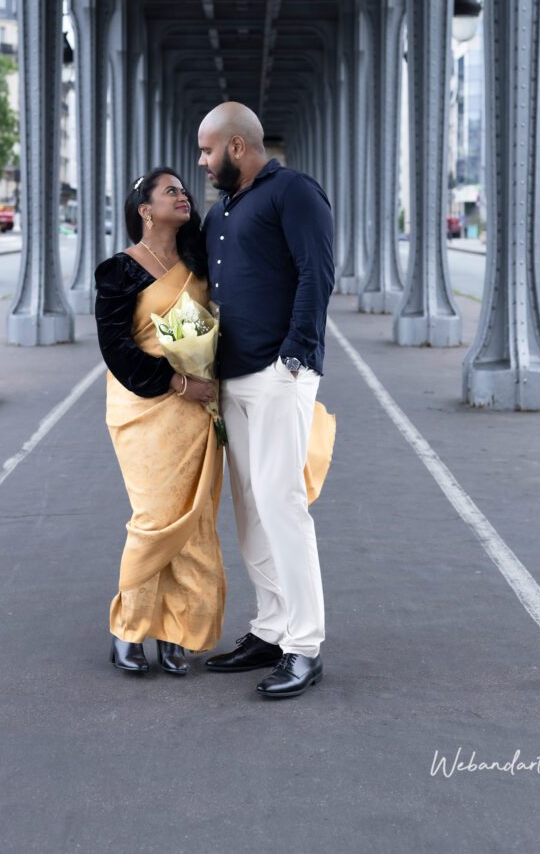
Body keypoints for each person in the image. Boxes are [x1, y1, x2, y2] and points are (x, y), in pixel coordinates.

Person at [198, 102, 336, 699]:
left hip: (279, 374)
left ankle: (305, 646)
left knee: (282, 505)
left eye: (207, 150)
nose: (202, 162)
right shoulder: (221, 210)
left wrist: (294, 359)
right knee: (250, 509)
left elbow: (316, 273)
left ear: (237, 146)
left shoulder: (294, 192)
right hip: (232, 378)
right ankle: (271, 629)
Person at [94, 168, 226, 676]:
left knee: (194, 520)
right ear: (146, 210)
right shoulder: (119, 271)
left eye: (184, 190)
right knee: (155, 517)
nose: (183, 195)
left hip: (197, 408)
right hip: (145, 405)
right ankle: (128, 627)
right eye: (171, 190)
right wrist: (175, 382)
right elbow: (116, 348)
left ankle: (178, 630)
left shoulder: (199, 262)